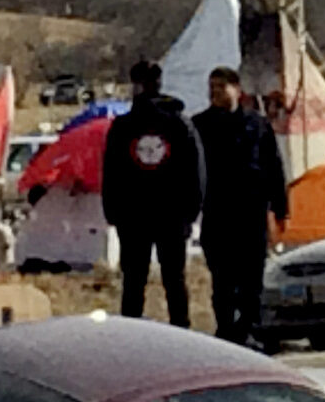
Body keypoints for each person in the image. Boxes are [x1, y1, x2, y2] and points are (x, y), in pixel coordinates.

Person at [102, 61, 204, 328]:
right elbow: (196, 171)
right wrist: (191, 212)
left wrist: (112, 211)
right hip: (169, 215)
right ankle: (182, 332)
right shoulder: (180, 124)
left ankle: (131, 333)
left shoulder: (124, 127)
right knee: (174, 280)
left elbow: (111, 172)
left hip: (135, 216)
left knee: (134, 281)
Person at [192, 67, 288, 347]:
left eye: (221, 87)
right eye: (212, 88)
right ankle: (225, 331)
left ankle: (250, 331)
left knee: (251, 279)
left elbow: (273, 166)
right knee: (222, 280)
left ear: (237, 90)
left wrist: (281, 207)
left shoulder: (256, 124)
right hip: (217, 212)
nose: (215, 93)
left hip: (251, 213)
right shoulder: (200, 126)